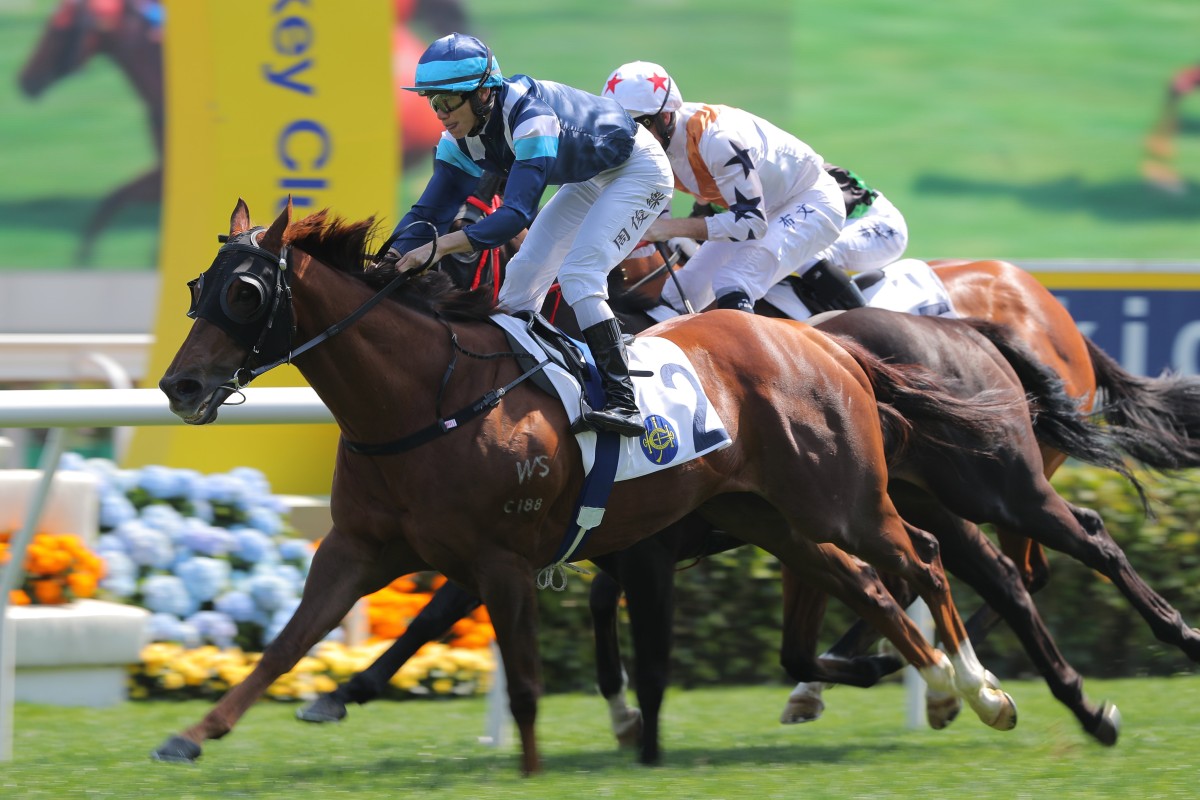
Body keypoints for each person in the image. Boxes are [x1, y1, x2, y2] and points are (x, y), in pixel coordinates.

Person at [386, 34, 674, 437]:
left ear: (484, 92)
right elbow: (430, 211)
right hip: (592, 176)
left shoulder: (530, 117)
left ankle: (624, 402)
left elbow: (514, 216)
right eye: (432, 101)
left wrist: (437, 248)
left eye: (448, 101)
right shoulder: (457, 139)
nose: (440, 113)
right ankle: (524, 384)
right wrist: (387, 258)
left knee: (579, 275)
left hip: (638, 169)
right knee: (520, 280)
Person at [601, 61, 846, 314]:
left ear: (665, 117)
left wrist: (666, 229)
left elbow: (751, 223)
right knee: (678, 295)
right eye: (622, 128)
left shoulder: (718, 139)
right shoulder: (653, 145)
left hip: (809, 200)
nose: (632, 139)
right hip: (760, 210)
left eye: (639, 126)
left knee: (733, 282)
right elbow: (651, 227)